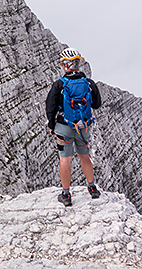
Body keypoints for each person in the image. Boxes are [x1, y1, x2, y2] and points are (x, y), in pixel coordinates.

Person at [45, 47, 102, 206]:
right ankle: (92, 188)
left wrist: (51, 125)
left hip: (64, 126)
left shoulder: (59, 85)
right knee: (84, 156)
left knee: (65, 159)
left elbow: (50, 107)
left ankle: (66, 195)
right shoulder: (88, 83)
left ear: (65, 65)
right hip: (83, 127)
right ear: (78, 64)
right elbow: (97, 104)